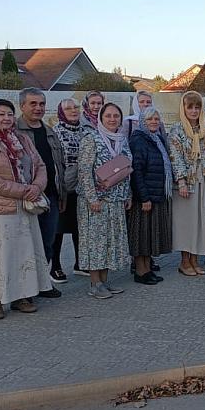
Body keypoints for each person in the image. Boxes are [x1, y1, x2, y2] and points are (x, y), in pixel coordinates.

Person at [0, 100, 52, 320]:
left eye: (9, 114)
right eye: (1, 114)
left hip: (25, 207)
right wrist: (22, 190)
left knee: (23, 252)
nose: (6, 118)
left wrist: (36, 187)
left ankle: (22, 296)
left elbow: (40, 165)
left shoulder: (23, 139)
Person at [77, 102, 132, 299]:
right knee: (95, 241)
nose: (112, 119)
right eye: (108, 116)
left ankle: (105, 282)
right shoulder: (91, 139)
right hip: (96, 202)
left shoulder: (122, 140)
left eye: (116, 116)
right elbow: (84, 172)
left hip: (116, 200)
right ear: (100, 118)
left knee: (110, 242)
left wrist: (128, 195)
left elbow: (126, 170)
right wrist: (92, 198)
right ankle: (95, 283)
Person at [15, 87, 65, 298]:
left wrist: (61, 193)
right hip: (26, 197)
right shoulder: (15, 132)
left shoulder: (49, 131)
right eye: (33, 104)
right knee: (25, 244)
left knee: (47, 242)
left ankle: (43, 282)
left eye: (42, 104)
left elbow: (58, 164)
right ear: (22, 106)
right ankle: (24, 289)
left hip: (50, 196)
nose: (38, 108)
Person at [168, 91, 205, 277]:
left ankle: (195, 260)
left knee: (202, 220)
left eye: (197, 107)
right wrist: (181, 181)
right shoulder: (177, 130)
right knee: (187, 223)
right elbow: (175, 158)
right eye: (190, 107)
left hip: (204, 180)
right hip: (188, 183)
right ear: (183, 108)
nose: (193, 110)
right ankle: (184, 261)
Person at [127, 106, 172, 285]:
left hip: (156, 194)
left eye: (156, 119)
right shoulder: (138, 140)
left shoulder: (157, 138)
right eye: (149, 120)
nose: (154, 122)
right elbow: (136, 171)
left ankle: (147, 269)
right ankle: (140, 271)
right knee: (141, 236)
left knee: (149, 236)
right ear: (142, 122)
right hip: (144, 198)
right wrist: (144, 197)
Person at [52, 98, 91, 280]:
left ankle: (79, 262)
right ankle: (56, 266)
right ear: (61, 112)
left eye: (75, 107)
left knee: (79, 227)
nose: (73, 111)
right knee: (59, 229)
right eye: (68, 108)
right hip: (64, 187)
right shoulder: (56, 133)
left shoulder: (86, 130)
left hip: (83, 187)